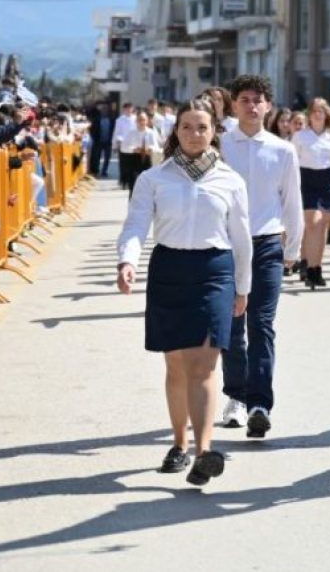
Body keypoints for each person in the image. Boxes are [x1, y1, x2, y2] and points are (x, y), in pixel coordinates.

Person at [116, 99, 252, 486]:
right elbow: (136, 224)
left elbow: (242, 239)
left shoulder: (230, 180)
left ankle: (205, 451)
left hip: (214, 271)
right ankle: (179, 443)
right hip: (169, 269)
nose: (195, 134)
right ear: (175, 132)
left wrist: (244, 287)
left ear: (214, 133)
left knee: (205, 364)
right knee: (176, 366)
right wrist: (127, 261)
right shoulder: (154, 179)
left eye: (202, 127)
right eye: (187, 127)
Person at [219, 76, 303, 436]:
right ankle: (236, 396)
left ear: (268, 106)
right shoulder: (220, 145)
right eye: (244, 100)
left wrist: (294, 248)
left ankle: (259, 404)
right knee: (233, 327)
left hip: (268, 245)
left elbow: (293, 202)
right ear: (233, 105)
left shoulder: (283, 150)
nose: (251, 106)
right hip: (226, 246)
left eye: (258, 100)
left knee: (262, 325)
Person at [291, 98, 330, 289]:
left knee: (323, 226)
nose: (317, 114)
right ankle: (306, 262)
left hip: (327, 179)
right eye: (314, 111)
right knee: (311, 222)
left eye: (321, 111)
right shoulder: (300, 136)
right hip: (306, 178)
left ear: (326, 114)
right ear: (309, 114)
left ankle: (316, 268)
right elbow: (291, 161)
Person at [120, 109, 161, 197]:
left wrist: (150, 149)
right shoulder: (131, 133)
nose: (141, 122)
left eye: (143, 120)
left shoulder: (151, 133)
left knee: (148, 185)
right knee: (134, 184)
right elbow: (123, 148)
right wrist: (134, 149)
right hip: (134, 159)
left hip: (146, 159)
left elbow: (157, 147)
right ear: (136, 121)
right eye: (139, 120)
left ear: (147, 121)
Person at [111, 103, 136, 186]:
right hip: (122, 144)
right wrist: (114, 145)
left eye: (130, 108)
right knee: (123, 163)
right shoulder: (120, 120)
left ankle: (130, 180)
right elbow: (116, 132)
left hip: (133, 144)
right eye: (127, 109)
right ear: (124, 110)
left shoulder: (135, 119)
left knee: (132, 163)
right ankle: (123, 180)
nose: (129, 110)